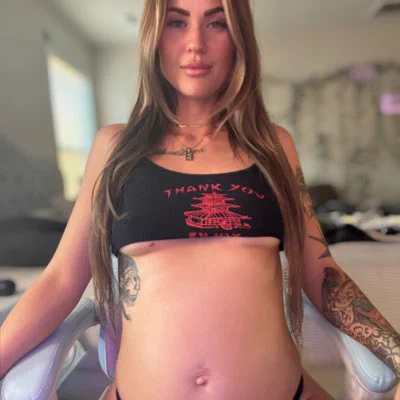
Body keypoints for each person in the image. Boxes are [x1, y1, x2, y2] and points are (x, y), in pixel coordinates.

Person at [1, 0, 399, 399]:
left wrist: (398, 355)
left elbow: (322, 272)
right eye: (176, 22)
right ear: (154, 36)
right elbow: (60, 280)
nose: (196, 43)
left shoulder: (273, 146)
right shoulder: (115, 148)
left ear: (239, 39)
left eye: (217, 24)